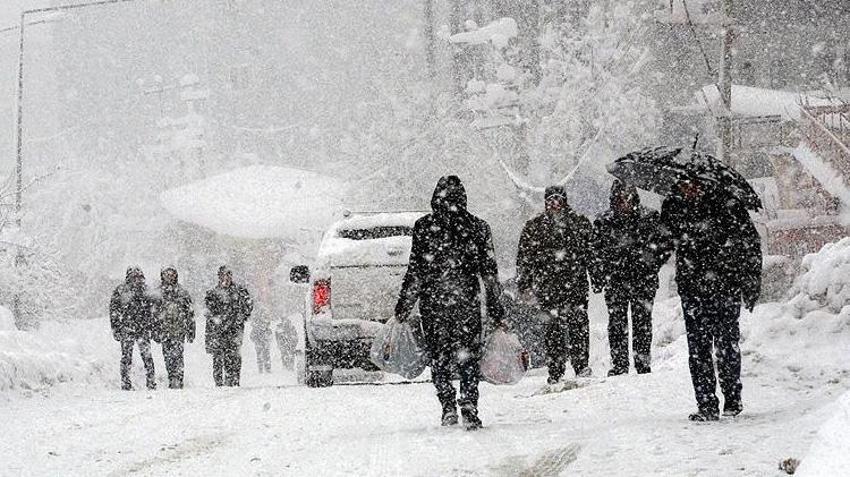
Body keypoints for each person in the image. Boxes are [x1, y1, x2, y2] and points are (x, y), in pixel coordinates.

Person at [395, 175, 505, 430]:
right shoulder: (478, 227)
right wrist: (496, 309)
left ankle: (447, 405)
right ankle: (469, 404)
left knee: (440, 357)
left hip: (434, 304)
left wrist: (404, 305)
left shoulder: (424, 227)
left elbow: (416, 271)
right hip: (466, 303)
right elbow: (489, 273)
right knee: (468, 357)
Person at [661, 178, 762, 421]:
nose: (689, 189)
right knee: (698, 349)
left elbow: (749, 243)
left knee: (726, 344)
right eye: (684, 185)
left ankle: (732, 398)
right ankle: (706, 403)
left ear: (704, 184)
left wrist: (750, 282)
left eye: (693, 184)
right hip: (693, 289)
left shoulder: (727, 204)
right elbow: (663, 243)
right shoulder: (674, 207)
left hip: (725, 286)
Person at [516, 185, 595, 384]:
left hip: (575, 284)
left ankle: (581, 364)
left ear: (565, 201)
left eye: (558, 199)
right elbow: (525, 258)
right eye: (551, 199)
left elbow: (592, 254)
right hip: (548, 286)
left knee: (578, 326)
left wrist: (597, 277)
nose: (555, 203)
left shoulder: (579, 223)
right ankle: (556, 369)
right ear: (545, 202)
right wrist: (524, 283)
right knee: (553, 330)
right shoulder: (535, 226)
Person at [593, 180, 671, 376]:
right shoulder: (603, 222)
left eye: (627, 197)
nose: (623, 202)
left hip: (643, 280)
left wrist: (652, 264)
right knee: (617, 323)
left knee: (642, 322)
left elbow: (665, 245)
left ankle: (642, 363)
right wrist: (601, 273)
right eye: (619, 198)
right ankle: (620, 364)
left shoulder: (650, 218)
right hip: (616, 280)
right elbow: (594, 251)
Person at [205, 266, 254, 387]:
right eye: (223, 275)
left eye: (228, 275)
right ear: (219, 277)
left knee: (234, 355)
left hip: (235, 329)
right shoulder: (212, 293)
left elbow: (249, 305)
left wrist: (241, 317)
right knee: (218, 356)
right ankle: (219, 382)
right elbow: (208, 312)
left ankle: (233, 380)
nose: (225, 278)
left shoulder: (240, 291)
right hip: (218, 330)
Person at [109, 266, 157, 390]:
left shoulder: (146, 291)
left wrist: (152, 326)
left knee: (147, 356)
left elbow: (153, 310)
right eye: (134, 276)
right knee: (126, 357)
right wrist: (116, 328)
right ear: (129, 277)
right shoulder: (121, 290)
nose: (137, 279)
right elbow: (114, 311)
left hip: (142, 328)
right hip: (127, 328)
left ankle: (151, 382)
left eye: (138, 276)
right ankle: (125, 382)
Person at [154, 266, 195, 389]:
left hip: (179, 330)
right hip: (164, 330)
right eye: (167, 274)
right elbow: (153, 314)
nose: (169, 277)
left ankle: (179, 378)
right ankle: (171, 378)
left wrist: (191, 330)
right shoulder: (158, 293)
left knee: (178, 355)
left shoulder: (182, 292)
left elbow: (190, 313)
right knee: (167, 356)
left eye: (171, 274)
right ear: (162, 276)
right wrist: (155, 330)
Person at [249, 310, 273, 374]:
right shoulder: (257, 328)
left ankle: (265, 369)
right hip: (261, 345)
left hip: (263, 344)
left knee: (265, 356)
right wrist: (257, 341)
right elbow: (252, 336)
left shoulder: (264, 328)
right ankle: (263, 369)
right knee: (262, 357)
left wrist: (267, 340)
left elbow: (270, 335)